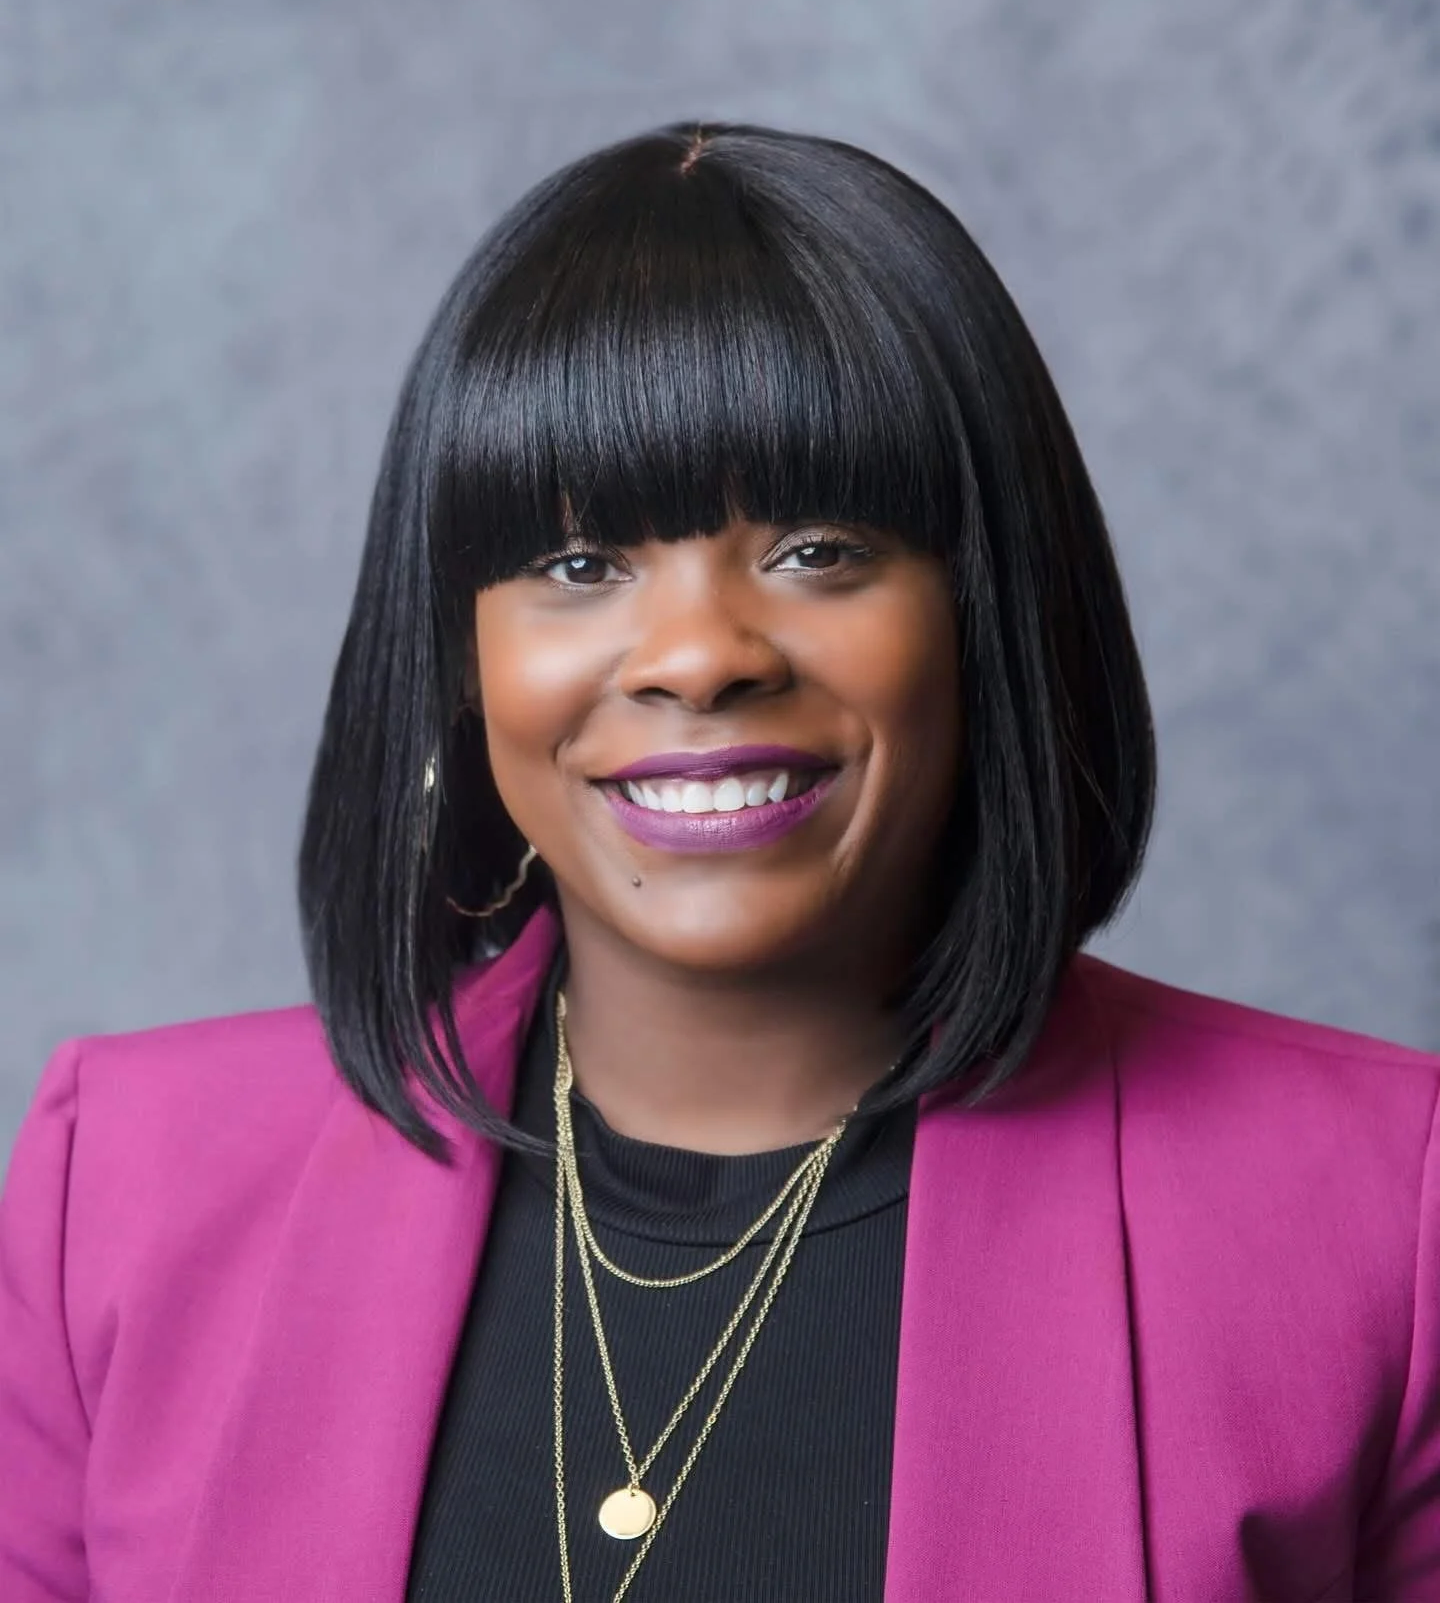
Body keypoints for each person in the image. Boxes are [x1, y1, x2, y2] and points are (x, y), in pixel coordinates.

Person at [1, 123, 1436, 1603]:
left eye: (819, 546)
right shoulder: (114, 1191)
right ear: (459, 653)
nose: (699, 658)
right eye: (577, 564)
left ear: (988, 613)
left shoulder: (1382, 1215)